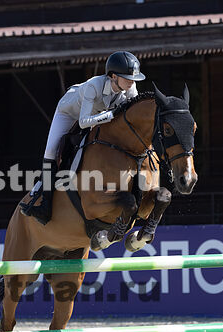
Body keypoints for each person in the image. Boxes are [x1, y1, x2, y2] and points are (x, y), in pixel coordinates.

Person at [20, 51, 146, 225]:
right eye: (128, 78)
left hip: (99, 114)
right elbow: (84, 121)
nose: (132, 82)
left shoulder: (130, 87)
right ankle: (44, 203)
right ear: (113, 76)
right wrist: (111, 114)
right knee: (51, 150)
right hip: (69, 113)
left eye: (133, 78)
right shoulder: (93, 86)